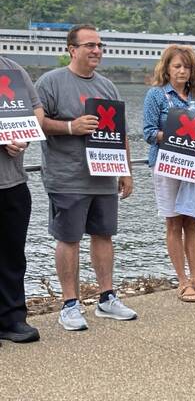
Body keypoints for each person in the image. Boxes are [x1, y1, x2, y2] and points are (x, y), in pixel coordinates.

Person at [36, 24, 137, 331]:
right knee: (68, 239)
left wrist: (126, 170)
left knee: (104, 235)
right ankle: (69, 304)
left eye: (100, 45)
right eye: (90, 45)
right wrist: (71, 127)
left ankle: (107, 299)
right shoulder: (50, 82)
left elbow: (119, 132)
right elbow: (36, 123)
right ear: (72, 49)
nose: (96, 50)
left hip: (104, 175)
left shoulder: (107, 86)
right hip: (67, 176)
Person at [142, 45, 195, 303]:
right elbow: (149, 133)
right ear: (167, 68)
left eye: (187, 67)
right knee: (173, 221)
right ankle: (182, 281)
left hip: (192, 165)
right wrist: (177, 133)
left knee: (192, 220)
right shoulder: (156, 95)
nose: (182, 71)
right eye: (177, 66)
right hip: (166, 164)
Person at [0, 56, 43, 344]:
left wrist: (25, 136)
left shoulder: (14, 70)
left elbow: (37, 109)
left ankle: (13, 317)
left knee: (13, 254)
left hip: (12, 181)